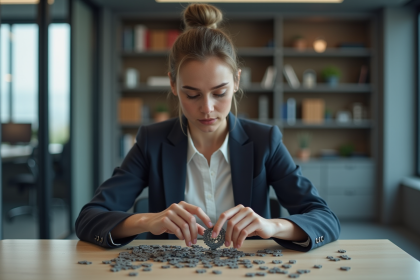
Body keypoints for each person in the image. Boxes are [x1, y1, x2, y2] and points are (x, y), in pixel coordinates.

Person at [75, 3, 340, 252]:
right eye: (192, 95)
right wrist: (146, 221)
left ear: (236, 81)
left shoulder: (264, 141)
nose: (207, 108)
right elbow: (89, 219)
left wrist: (273, 226)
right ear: (172, 84)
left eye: (219, 92)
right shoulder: (151, 142)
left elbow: (325, 220)